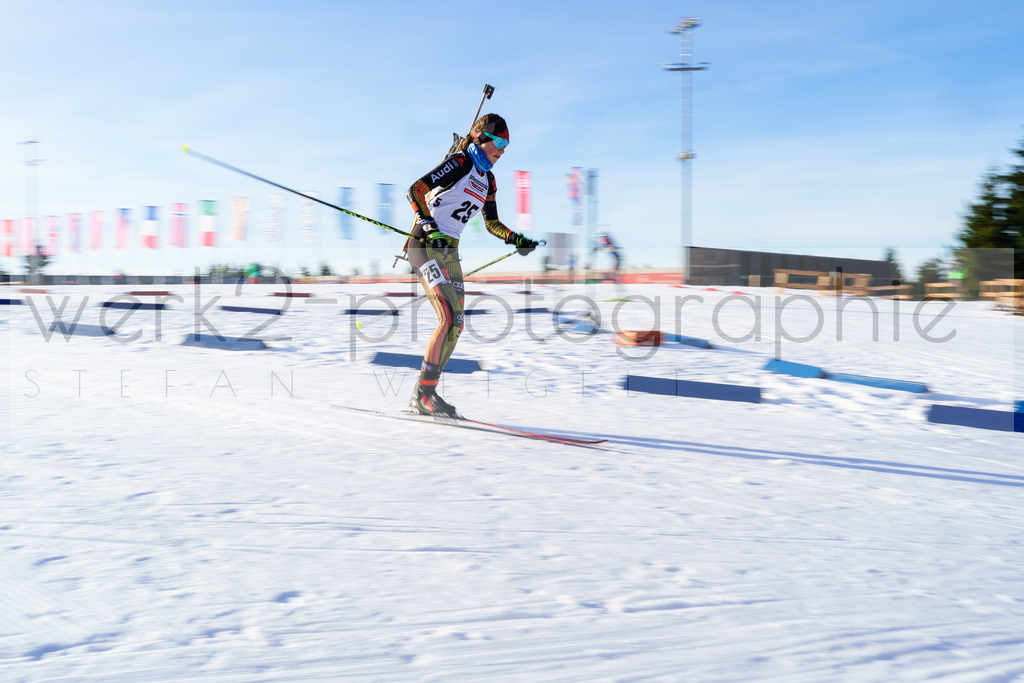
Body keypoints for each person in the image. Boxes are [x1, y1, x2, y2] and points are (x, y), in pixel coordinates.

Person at [404, 113, 539, 416]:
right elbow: (416, 189)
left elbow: (491, 223)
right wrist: (428, 225)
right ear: (482, 137)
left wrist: (515, 238)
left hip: (450, 253)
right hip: (425, 246)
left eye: (507, 145)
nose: (503, 150)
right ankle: (422, 395)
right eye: (500, 142)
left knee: (457, 324)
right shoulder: (462, 162)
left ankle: (427, 393)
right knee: (449, 318)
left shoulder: (488, 179)